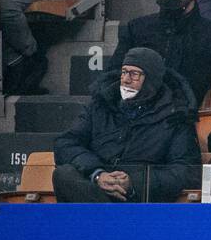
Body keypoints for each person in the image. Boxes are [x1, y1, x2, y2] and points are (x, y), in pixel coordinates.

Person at [52, 47, 199, 202]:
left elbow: (186, 170)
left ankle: (110, 222)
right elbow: (66, 143)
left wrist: (133, 183)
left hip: (140, 198)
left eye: (134, 74)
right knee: (64, 174)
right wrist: (98, 173)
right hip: (96, 189)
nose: (126, 79)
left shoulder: (176, 116)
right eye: (124, 72)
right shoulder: (100, 105)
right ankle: (110, 222)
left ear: (151, 79)